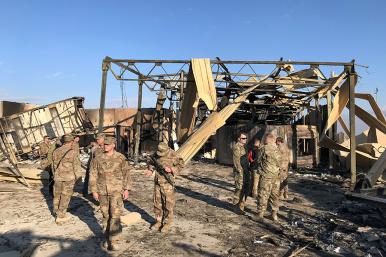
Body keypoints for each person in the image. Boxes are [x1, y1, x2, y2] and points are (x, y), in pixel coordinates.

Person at [89, 136, 131, 251]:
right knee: (105, 215)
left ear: (113, 145)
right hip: (102, 190)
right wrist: (93, 190)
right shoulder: (97, 158)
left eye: (108, 144)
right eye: (104, 144)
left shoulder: (121, 158)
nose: (105, 146)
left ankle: (114, 240)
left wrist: (126, 189)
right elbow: (93, 174)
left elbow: (126, 174)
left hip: (116, 191)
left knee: (115, 215)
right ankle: (107, 237)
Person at [146, 142, 184, 233]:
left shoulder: (174, 155)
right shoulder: (156, 153)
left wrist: (172, 169)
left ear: (167, 149)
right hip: (157, 182)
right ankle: (158, 221)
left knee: (168, 204)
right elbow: (151, 162)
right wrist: (150, 170)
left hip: (167, 183)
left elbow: (181, 165)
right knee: (157, 203)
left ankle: (167, 223)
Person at [52, 134, 81, 224]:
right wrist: (79, 178)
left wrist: (55, 175)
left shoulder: (56, 151)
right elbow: (76, 166)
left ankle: (57, 211)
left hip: (58, 177)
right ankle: (61, 215)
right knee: (65, 196)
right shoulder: (73, 152)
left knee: (57, 195)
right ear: (71, 142)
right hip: (69, 178)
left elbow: (53, 166)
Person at [257, 133, 280, 221]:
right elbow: (280, 162)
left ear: (269, 139)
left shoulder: (264, 148)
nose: (264, 140)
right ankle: (274, 215)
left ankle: (260, 215)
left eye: (265, 139)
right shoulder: (278, 149)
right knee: (274, 196)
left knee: (263, 194)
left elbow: (259, 160)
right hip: (276, 176)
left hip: (266, 175)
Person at [232, 132, 250, 214]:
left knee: (245, 189)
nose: (245, 139)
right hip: (240, 172)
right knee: (239, 189)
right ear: (239, 139)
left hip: (245, 170)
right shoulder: (237, 147)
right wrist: (240, 172)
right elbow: (236, 162)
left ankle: (241, 206)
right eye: (243, 138)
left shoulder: (243, 147)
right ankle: (236, 207)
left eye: (245, 138)